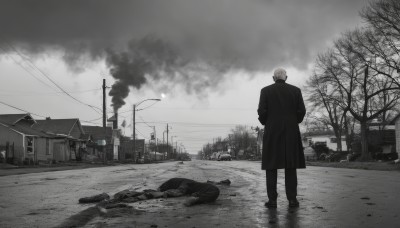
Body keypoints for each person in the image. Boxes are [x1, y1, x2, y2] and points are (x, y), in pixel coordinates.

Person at [257, 68, 306, 208]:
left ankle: (272, 200)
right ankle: (292, 199)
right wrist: (293, 121)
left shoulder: (265, 91)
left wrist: (267, 121)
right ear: (286, 77)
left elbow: (261, 111)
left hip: (272, 131)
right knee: (290, 166)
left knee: (271, 166)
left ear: (273, 78)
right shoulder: (296, 91)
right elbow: (301, 111)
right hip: (291, 131)